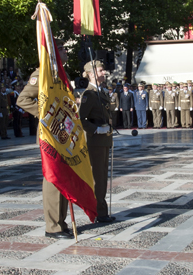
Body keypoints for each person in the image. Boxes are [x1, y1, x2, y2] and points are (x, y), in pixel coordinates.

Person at [17, 42, 73, 239]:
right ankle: (53, 226)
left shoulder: (61, 75)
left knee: (63, 178)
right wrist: (47, 114)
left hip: (64, 135)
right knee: (53, 179)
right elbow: (22, 100)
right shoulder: (41, 74)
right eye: (62, 49)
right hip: (50, 134)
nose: (66, 52)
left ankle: (61, 221)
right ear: (52, 52)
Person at [79, 60, 115, 223]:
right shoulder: (89, 94)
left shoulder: (102, 92)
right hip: (95, 141)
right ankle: (99, 212)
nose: (104, 73)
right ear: (91, 74)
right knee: (98, 177)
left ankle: (102, 210)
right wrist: (96, 129)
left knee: (102, 177)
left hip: (104, 140)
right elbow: (81, 119)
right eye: (101, 70)